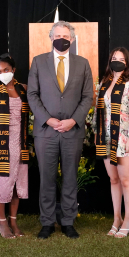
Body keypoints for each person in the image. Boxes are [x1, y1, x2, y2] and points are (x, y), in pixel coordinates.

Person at [27, 21, 94, 239]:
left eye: (65, 36)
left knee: (70, 178)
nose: (61, 39)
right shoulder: (38, 62)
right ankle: (47, 222)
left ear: (72, 39)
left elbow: (87, 97)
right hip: (46, 131)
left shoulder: (83, 64)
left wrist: (73, 121)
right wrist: (48, 120)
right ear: (51, 37)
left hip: (72, 131)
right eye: (57, 35)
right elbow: (32, 95)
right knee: (46, 178)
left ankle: (68, 221)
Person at [94, 47, 129, 238]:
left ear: (127, 63)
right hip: (106, 138)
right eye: (114, 58)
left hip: (124, 138)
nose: (117, 61)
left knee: (125, 179)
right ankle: (117, 218)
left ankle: (128, 219)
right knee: (113, 179)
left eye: (121, 59)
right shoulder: (104, 83)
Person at [0, 54, 31, 239]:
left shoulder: (23, 89)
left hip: (19, 139)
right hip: (0, 140)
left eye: (6, 70)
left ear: (14, 70)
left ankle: (13, 220)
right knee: (3, 178)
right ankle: (1, 221)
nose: (2, 74)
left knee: (17, 178)